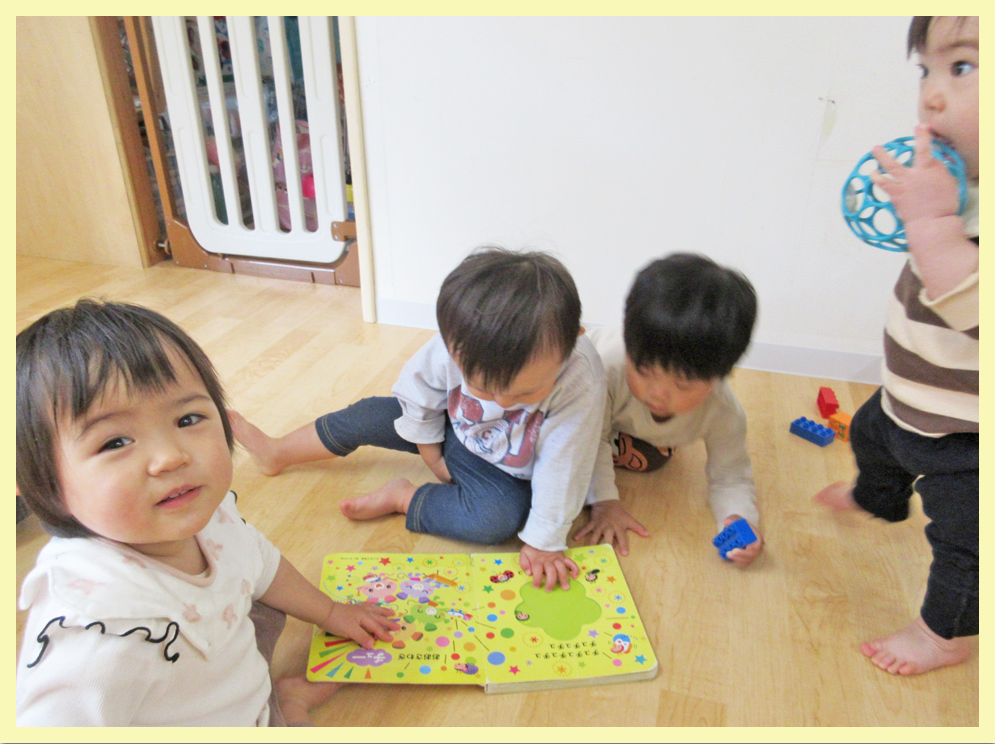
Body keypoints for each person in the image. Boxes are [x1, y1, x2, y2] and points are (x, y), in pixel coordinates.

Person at [15, 300, 398, 726]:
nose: (170, 457)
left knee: (260, 598)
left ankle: (275, 700)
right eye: (115, 443)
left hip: (228, 686)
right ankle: (284, 707)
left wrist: (331, 613)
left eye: (187, 419)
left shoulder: (199, 513)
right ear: (33, 477)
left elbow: (260, 562)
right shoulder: (96, 636)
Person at [232, 248, 611, 592]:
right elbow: (418, 393)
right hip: (448, 426)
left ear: (571, 342)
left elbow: (566, 463)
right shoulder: (456, 344)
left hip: (506, 468)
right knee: (368, 414)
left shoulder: (581, 378)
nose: (502, 402)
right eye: (483, 388)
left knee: (496, 520)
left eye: (525, 393)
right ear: (452, 342)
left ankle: (404, 497)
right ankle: (277, 451)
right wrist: (432, 456)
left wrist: (544, 542)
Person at [814, 16, 979, 676]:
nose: (931, 95)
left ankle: (944, 634)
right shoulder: (963, 185)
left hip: (970, 439)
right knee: (870, 436)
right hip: (908, 398)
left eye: (962, 67)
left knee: (964, 544)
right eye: (925, 70)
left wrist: (933, 223)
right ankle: (877, 498)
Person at [574, 254, 763, 568]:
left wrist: (739, 519)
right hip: (579, 400)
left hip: (623, 424)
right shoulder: (604, 368)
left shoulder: (723, 411)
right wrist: (605, 502)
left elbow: (732, 477)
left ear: (721, 376)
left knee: (652, 459)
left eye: (683, 384)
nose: (657, 394)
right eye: (644, 371)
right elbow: (591, 438)